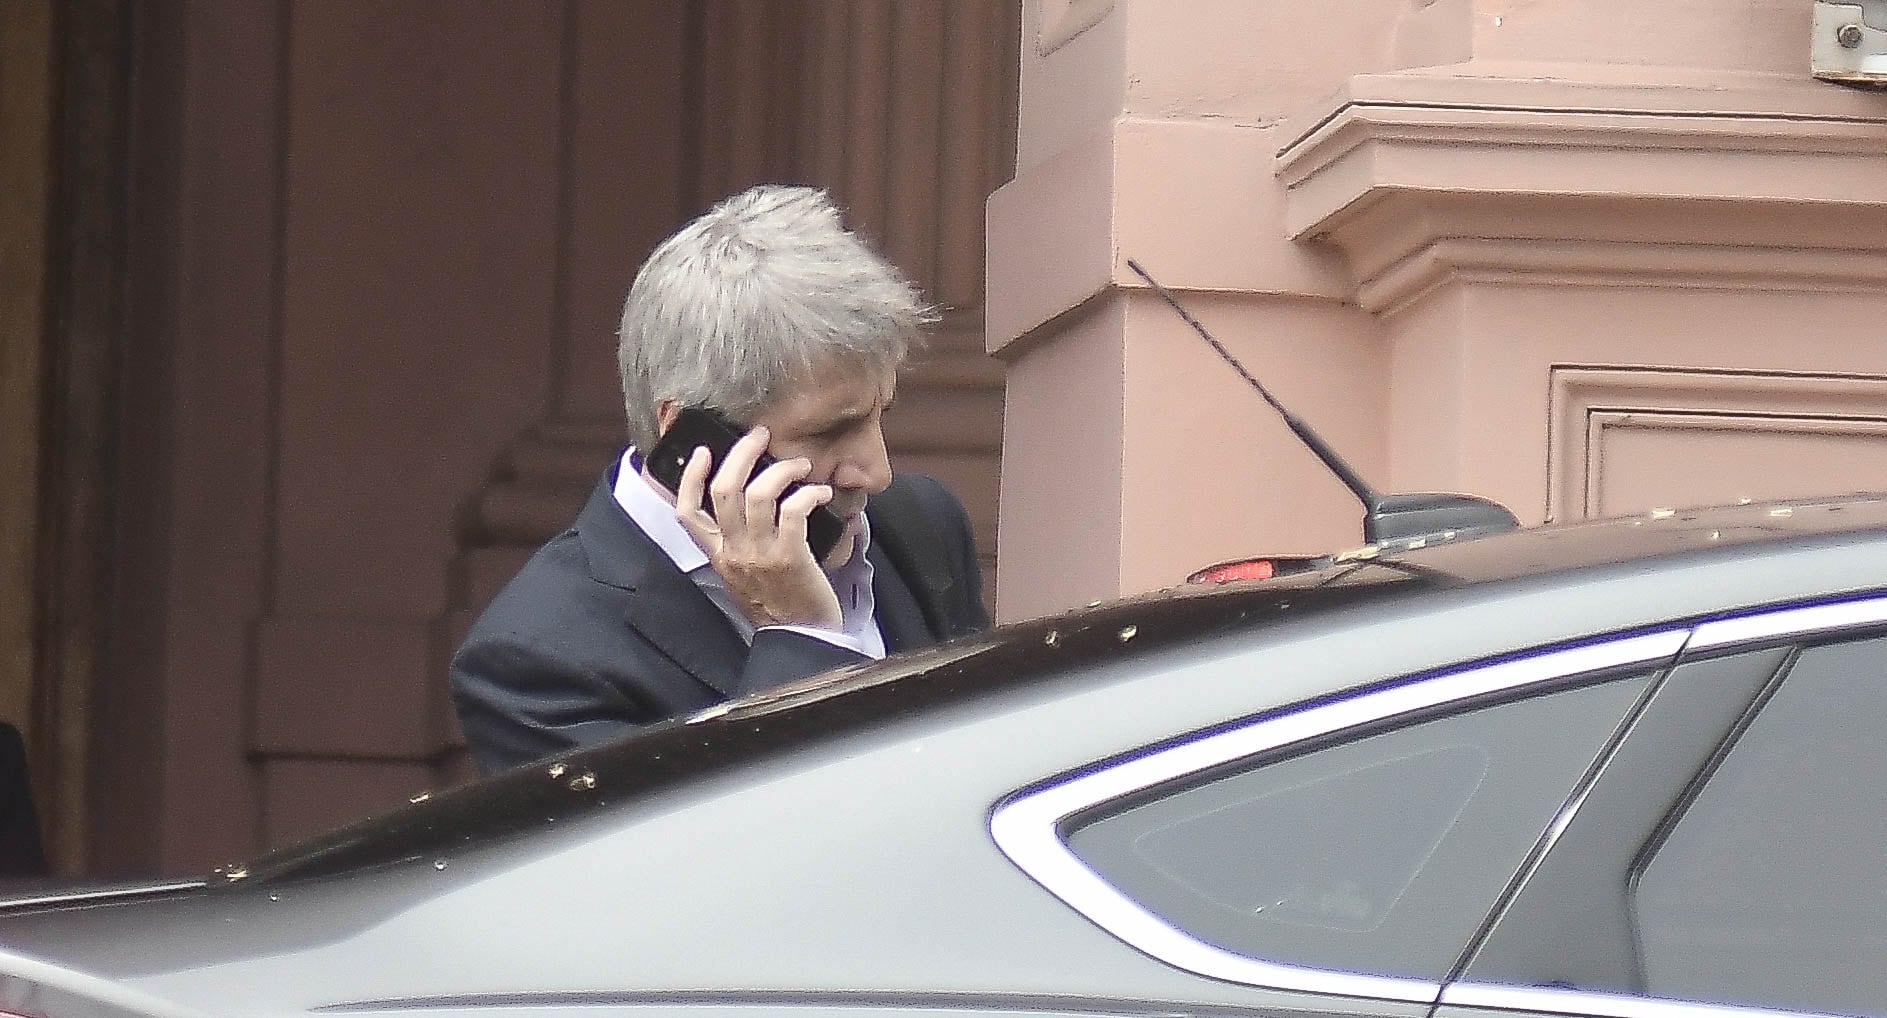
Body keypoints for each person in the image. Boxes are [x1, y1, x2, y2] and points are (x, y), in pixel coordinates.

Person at [451, 185, 990, 775]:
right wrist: (799, 637)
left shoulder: (918, 529)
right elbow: (719, 860)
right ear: (692, 438)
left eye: (879, 415)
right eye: (829, 433)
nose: (877, 472)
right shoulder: (537, 663)